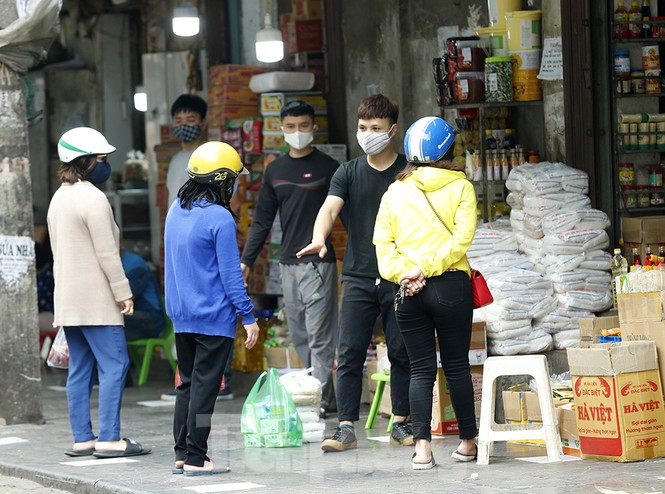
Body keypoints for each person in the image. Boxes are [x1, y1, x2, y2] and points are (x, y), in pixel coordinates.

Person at [297, 94, 412, 452]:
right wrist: (319, 238)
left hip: (400, 276)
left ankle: (402, 423)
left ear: (391, 131)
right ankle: (345, 427)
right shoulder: (347, 171)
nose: (367, 134)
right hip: (358, 276)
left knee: (401, 352)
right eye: (362, 128)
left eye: (375, 129)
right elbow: (329, 209)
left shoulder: (409, 172)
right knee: (348, 353)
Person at [373, 116, 478, 470]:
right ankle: (467, 442)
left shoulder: (395, 190)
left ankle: (422, 450)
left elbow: (382, 246)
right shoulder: (461, 187)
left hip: (408, 291)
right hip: (451, 285)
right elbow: (461, 239)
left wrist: (407, 273)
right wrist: (428, 268)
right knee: (456, 367)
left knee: (420, 371)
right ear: (449, 150)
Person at [48, 127, 149, 458]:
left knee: (80, 369)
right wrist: (124, 292)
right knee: (114, 365)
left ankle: (83, 438)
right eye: (101, 158)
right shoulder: (93, 197)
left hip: (69, 300)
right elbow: (107, 253)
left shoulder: (58, 198)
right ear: (85, 161)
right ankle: (109, 438)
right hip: (96, 299)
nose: (105, 164)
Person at [164, 141, 259, 475]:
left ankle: (182, 452)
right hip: (213, 319)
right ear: (222, 181)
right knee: (206, 390)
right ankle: (196, 457)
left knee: (187, 385)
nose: (234, 186)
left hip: (182, 316)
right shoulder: (220, 218)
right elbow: (232, 276)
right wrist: (248, 316)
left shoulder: (176, 208)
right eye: (232, 180)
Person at [240, 100, 340, 416]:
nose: (298, 132)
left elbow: (344, 213)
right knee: (299, 333)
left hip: (320, 262)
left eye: (304, 126)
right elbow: (261, 221)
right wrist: (246, 260)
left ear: (314, 127)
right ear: (282, 129)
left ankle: (320, 397)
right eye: (291, 127)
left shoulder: (329, 167)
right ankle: (327, 393)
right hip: (288, 264)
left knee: (320, 335)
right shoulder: (275, 170)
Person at [166, 94, 207, 208]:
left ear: (203, 123)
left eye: (190, 120)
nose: (183, 125)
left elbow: (232, 203)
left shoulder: (212, 157)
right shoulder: (175, 160)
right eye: (178, 120)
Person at [121, 248, 165, 341]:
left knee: (111, 322)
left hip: (151, 318)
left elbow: (125, 299)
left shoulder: (135, 264)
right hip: (135, 315)